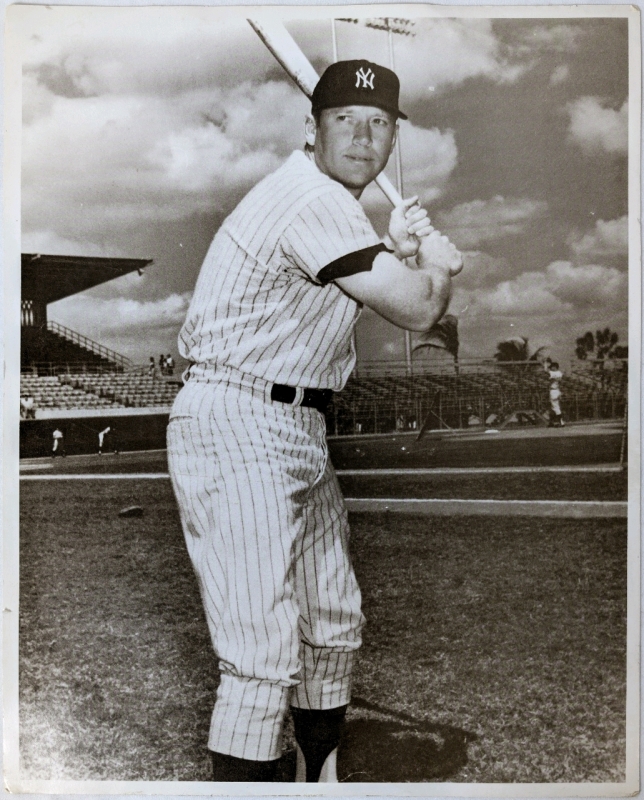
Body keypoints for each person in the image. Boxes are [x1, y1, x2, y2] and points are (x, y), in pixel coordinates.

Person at [167, 59, 463, 783]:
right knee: (262, 656)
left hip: (297, 425)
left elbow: (323, 291)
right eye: (343, 121)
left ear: (395, 135)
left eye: (379, 123)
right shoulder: (308, 198)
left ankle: (319, 781)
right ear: (312, 129)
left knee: (332, 621)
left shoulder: (333, 209)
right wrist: (439, 267)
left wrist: (395, 248)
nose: (363, 137)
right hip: (237, 417)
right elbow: (420, 309)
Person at [545, 358, 565, 427]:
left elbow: (546, 371)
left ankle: (561, 422)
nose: (551, 368)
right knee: (552, 407)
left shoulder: (554, 373)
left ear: (555, 367)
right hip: (557, 390)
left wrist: (545, 363)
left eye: (552, 367)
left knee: (555, 407)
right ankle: (552, 422)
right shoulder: (560, 373)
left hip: (553, 391)